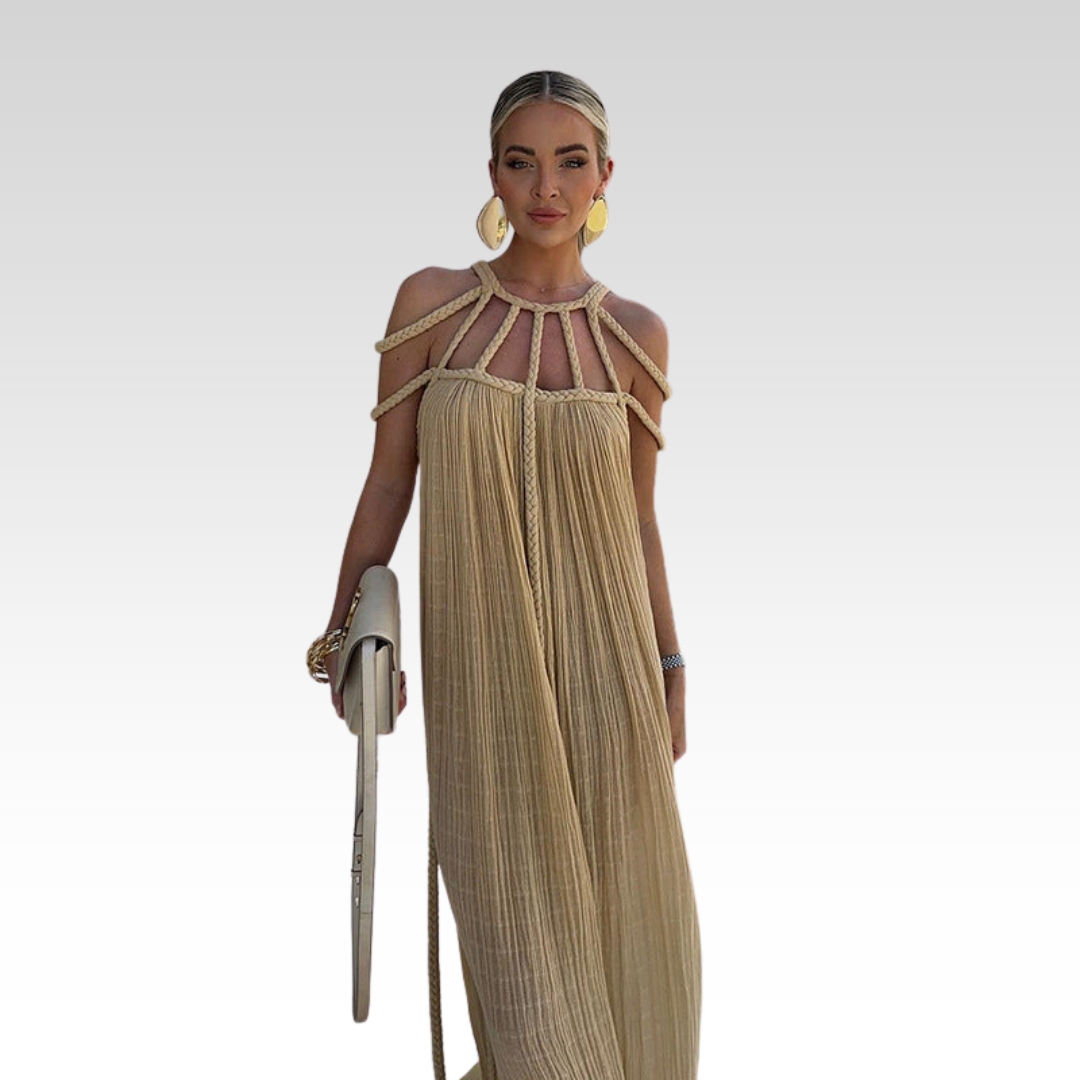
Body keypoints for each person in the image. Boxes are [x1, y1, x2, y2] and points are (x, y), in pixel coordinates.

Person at [316, 70, 701, 1080]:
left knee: (632, 965)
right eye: (522, 162)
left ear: (606, 175)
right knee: (530, 1002)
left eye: (571, 162)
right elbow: (389, 479)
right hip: (483, 683)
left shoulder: (636, 336)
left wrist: (670, 666)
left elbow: (639, 518)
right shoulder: (432, 305)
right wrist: (345, 633)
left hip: (610, 681)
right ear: (492, 173)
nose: (547, 187)